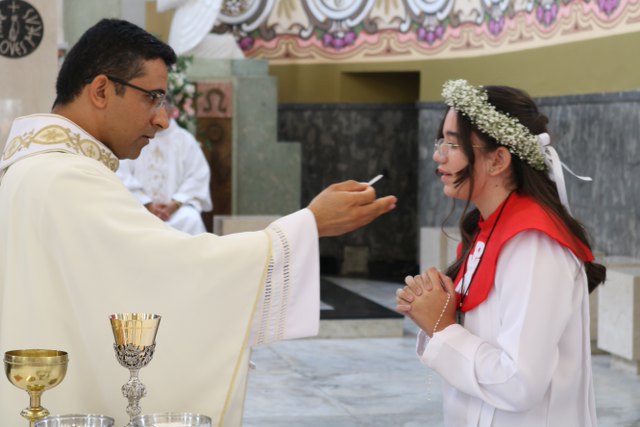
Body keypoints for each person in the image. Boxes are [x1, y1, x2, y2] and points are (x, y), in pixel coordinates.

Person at [0, 19, 397, 426]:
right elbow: (172, 268)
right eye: (152, 98)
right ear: (101, 90)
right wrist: (308, 225)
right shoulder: (67, 176)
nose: (161, 120)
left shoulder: (36, 167)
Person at [396, 79, 606, 426]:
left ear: (498, 160)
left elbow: (519, 383)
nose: (438, 155)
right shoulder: (488, 228)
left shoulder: (534, 244)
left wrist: (443, 329)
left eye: (453, 144)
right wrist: (433, 310)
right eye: (440, 142)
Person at [117, 114, 213, 235]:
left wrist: (175, 203)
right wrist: (146, 203)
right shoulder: (134, 137)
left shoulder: (185, 139)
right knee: (127, 221)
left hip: (176, 213)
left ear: (173, 109)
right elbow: (121, 173)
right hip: (139, 207)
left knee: (191, 219)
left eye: (164, 105)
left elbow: (197, 175)